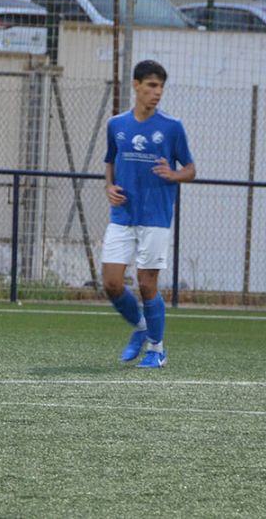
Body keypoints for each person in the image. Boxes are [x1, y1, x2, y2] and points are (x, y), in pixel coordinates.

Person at [101, 60, 196, 368]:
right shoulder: (116, 125)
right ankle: (141, 329)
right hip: (123, 215)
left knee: (146, 283)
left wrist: (174, 174)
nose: (157, 93)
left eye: (161, 87)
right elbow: (110, 161)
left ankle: (157, 348)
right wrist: (109, 186)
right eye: (152, 86)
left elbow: (191, 169)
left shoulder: (172, 127)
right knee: (111, 282)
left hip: (156, 216)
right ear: (136, 85)